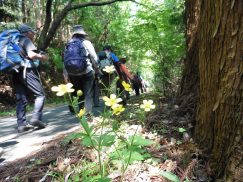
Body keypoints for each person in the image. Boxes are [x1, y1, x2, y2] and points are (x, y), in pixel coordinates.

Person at [12, 24, 48, 133]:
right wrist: (42, 57)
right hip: (27, 70)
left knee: (21, 98)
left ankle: (21, 125)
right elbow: (31, 55)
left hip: (15, 72)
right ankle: (36, 118)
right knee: (40, 95)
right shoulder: (26, 40)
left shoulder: (14, 42)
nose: (33, 34)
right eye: (32, 32)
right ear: (27, 32)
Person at [64, 25, 99, 117]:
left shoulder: (68, 44)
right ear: (82, 34)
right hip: (87, 71)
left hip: (73, 73)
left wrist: (66, 75)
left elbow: (65, 60)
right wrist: (97, 69)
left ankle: (81, 112)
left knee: (79, 92)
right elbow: (94, 58)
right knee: (88, 93)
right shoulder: (86, 42)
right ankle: (87, 114)